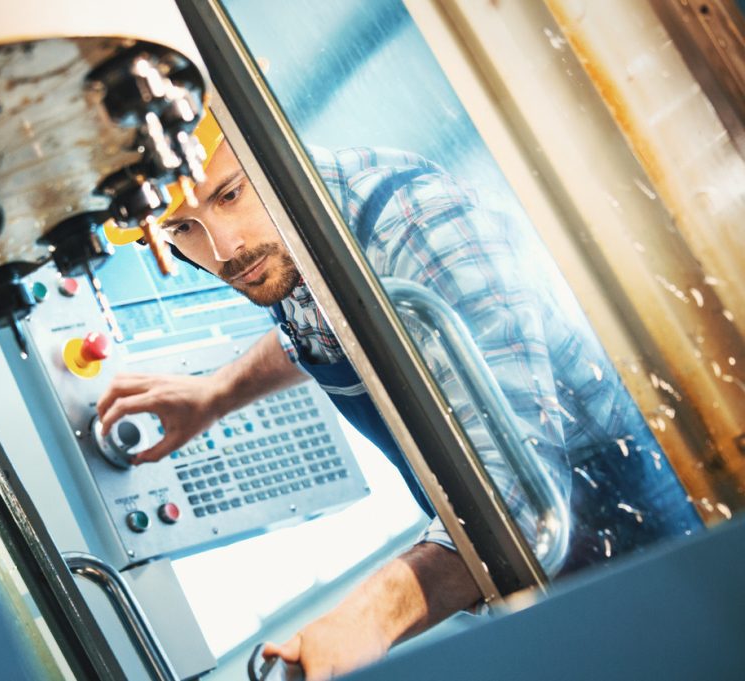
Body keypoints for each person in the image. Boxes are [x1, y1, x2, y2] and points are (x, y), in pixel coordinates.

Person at [96, 114, 702, 680]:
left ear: (269, 149)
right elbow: (325, 326)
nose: (224, 250)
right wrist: (217, 392)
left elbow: (519, 500)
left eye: (229, 194)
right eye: (182, 228)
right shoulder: (279, 247)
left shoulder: (420, 227)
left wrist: (368, 619)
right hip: (501, 555)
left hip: (620, 530)